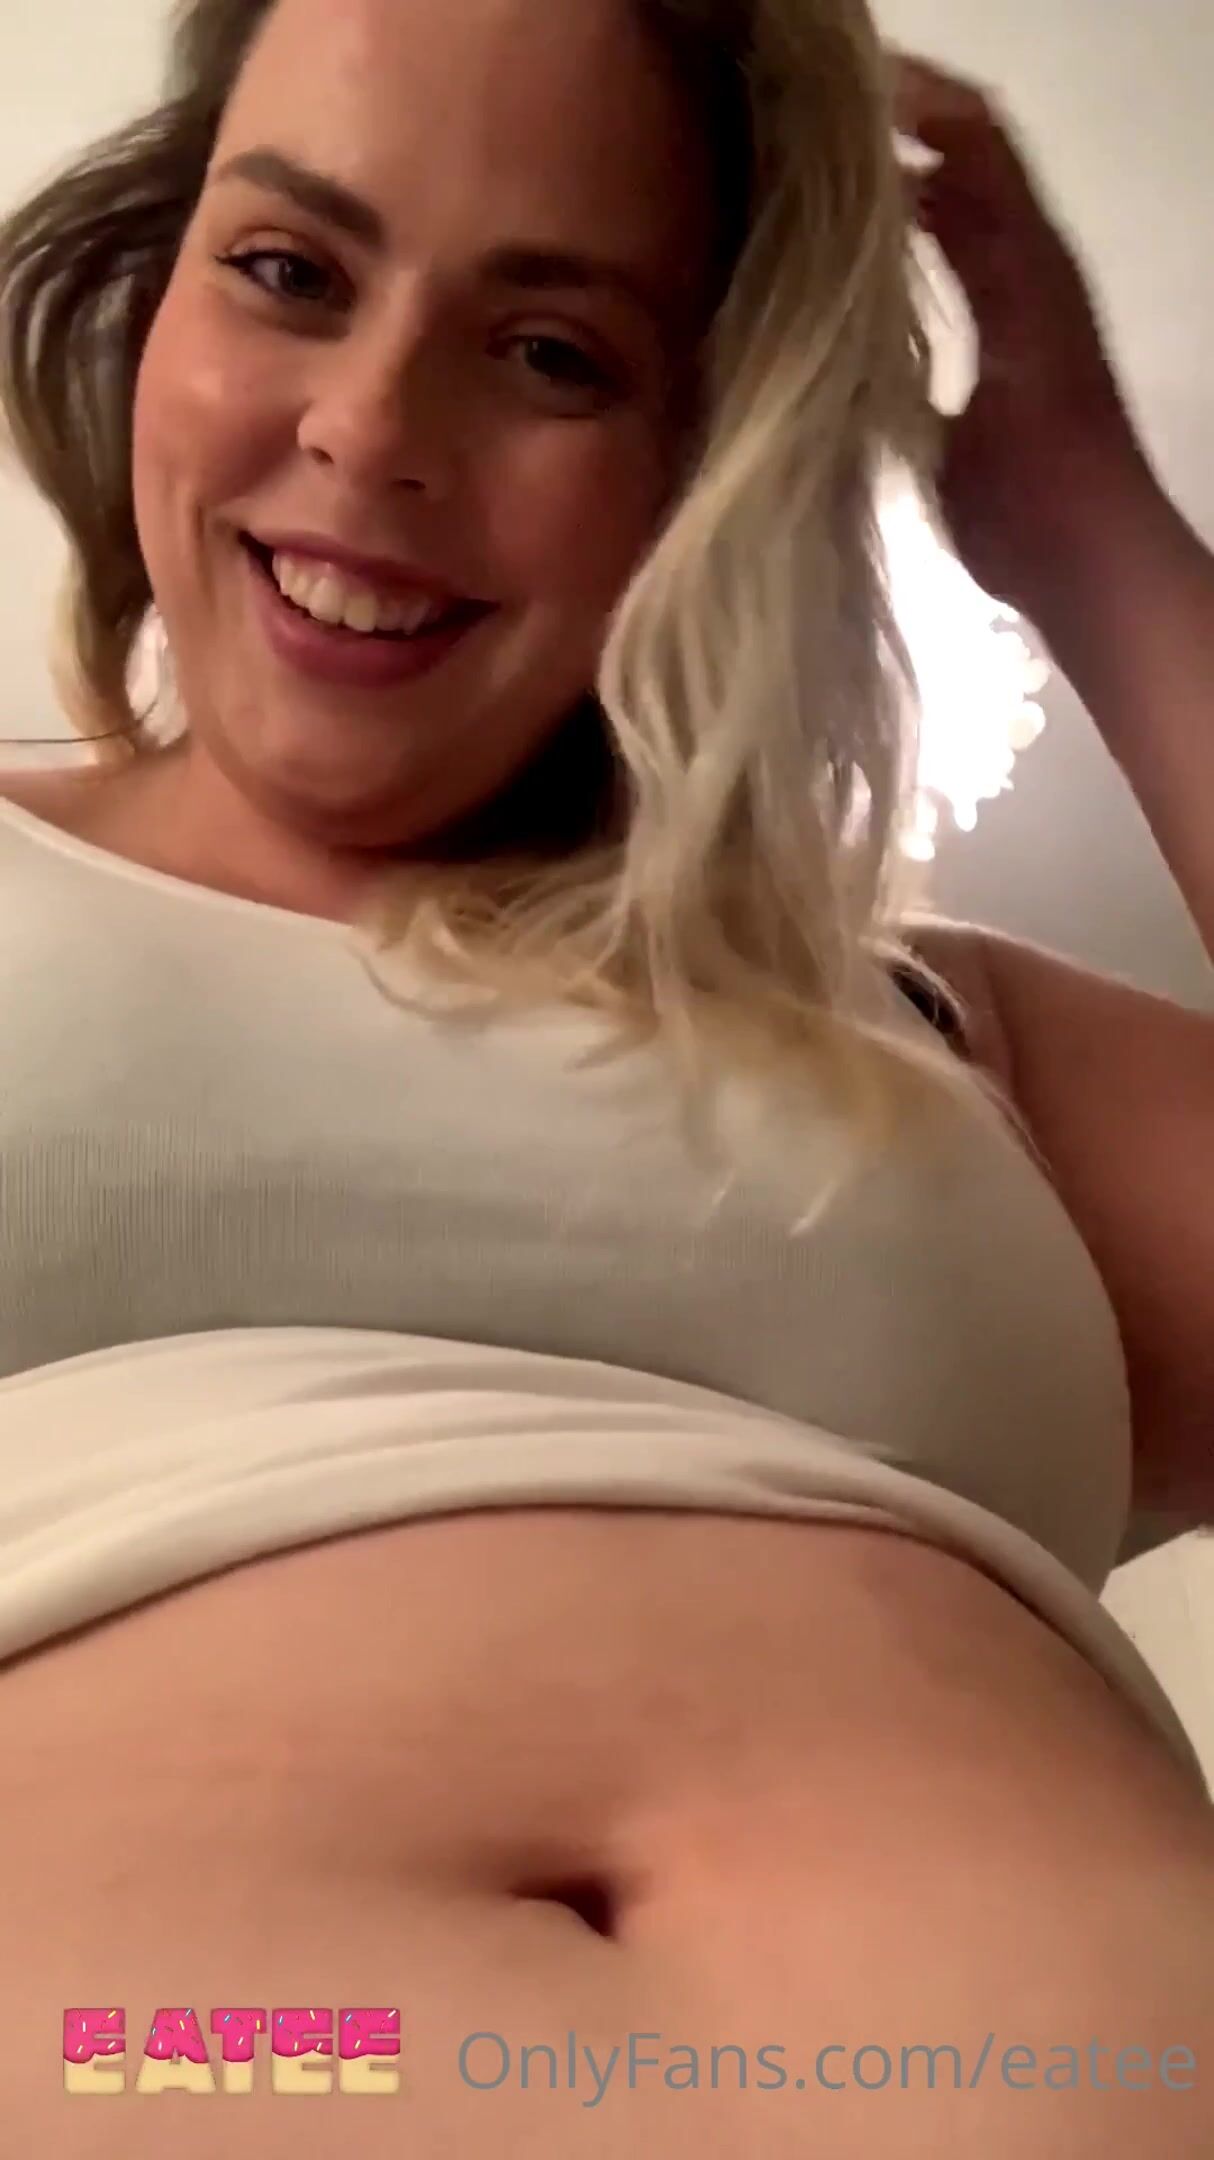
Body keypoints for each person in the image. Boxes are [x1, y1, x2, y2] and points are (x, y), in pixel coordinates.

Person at [0, 1, 1210, 2152]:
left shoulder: (928, 1037)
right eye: (287, 271)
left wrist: (1088, 526)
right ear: (147, 290)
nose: (372, 428)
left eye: (553, 352)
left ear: (713, 449)